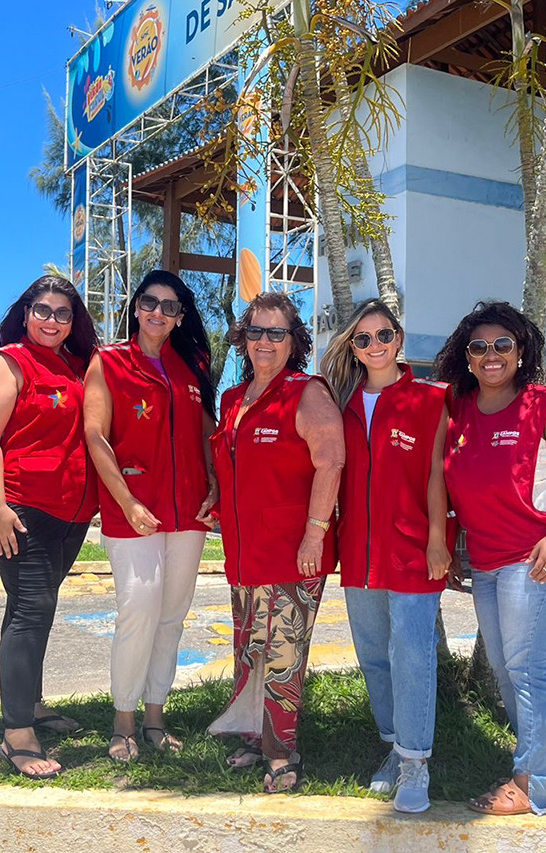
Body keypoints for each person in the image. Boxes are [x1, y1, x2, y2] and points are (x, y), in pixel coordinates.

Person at [433, 300, 546, 816]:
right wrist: (449, 542)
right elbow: (449, 480)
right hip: (487, 562)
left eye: (503, 344)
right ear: (467, 356)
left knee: (528, 669)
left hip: (544, 560)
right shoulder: (457, 410)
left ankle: (532, 786)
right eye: (478, 347)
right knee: (507, 671)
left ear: (521, 351)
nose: (491, 355)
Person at [208, 291, 344, 794]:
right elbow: (233, 464)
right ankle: (253, 734)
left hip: (292, 550)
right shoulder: (232, 399)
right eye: (256, 332)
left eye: (277, 333)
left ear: (294, 341)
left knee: (284, 653)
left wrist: (315, 534)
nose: (265, 342)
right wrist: (215, 498)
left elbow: (331, 462)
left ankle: (282, 751)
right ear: (243, 338)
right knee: (251, 648)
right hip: (245, 552)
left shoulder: (306, 392)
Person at [319, 299, 452, 813]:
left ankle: (416, 764)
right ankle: (396, 747)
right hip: (359, 551)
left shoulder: (428, 399)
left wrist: (438, 538)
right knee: (374, 655)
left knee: (412, 653)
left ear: (399, 338)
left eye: (383, 335)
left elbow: (437, 474)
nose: (374, 346)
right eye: (363, 339)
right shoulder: (342, 403)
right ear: (352, 348)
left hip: (414, 549)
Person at [82, 269, 217, 762]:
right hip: (133, 511)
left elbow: (208, 435)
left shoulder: (191, 368)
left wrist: (216, 485)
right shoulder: (110, 361)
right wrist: (127, 501)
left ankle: (156, 716)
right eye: (150, 303)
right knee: (138, 610)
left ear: (180, 318)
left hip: (189, 514)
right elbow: (95, 436)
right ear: (136, 307)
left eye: (169, 307)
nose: (158, 313)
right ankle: (123, 722)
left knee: (171, 618)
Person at [0, 275, 99, 779]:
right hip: (20, 505)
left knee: (31, 606)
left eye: (63, 313)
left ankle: (30, 703)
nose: (51, 320)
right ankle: (17, 735)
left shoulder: (75, 365)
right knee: (32, 607)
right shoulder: (7, 362)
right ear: (25, 314)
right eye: (42, 311)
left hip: (71, 511)